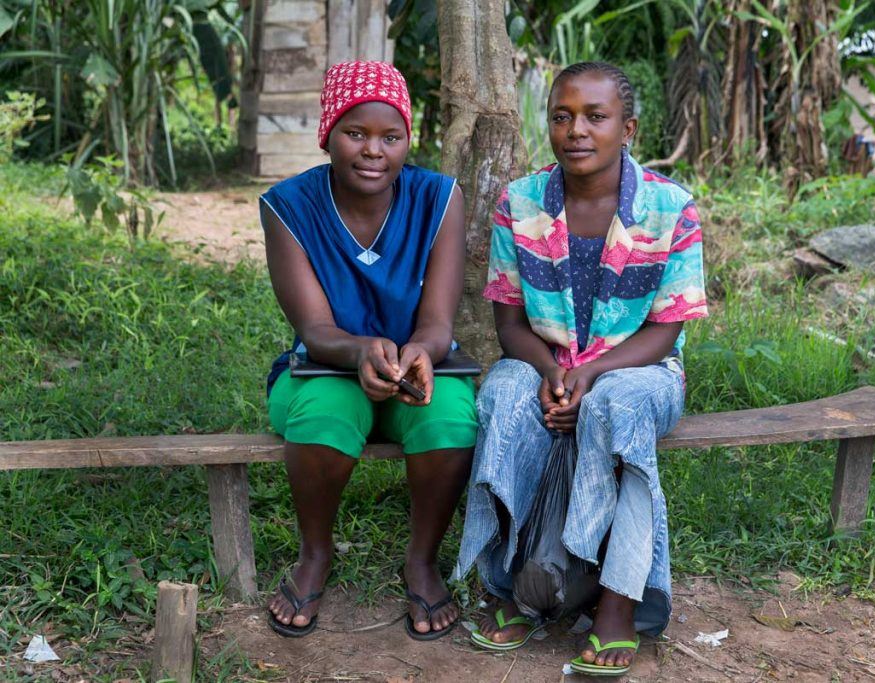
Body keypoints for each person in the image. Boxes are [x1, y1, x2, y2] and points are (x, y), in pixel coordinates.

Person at [455, 62, 708, 676]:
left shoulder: (670, 209)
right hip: (543, 362)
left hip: (639, 370)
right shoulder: (520, 205)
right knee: (505, 397)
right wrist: (549, 371)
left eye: (596, 116)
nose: (576, 130)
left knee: (612, 406)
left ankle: (620, 604)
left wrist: (589, 376)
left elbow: (665, 330)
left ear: (628, 127)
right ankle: (512, 587)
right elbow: (510, 327)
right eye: (562, 116)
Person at [260, 61, 477, 640]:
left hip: (418, 366)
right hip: (326, 367)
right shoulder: (289, 205)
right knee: (325, 415)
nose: (373, 151)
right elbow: (314, 329)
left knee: (451, 415)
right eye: (355, 134)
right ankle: (314, 554)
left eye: (391, 137)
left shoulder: (439, 197)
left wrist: (420, 353)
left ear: (409, 139)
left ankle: (423, 561)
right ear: (327, 132)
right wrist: (360, 352)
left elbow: (436, 321)